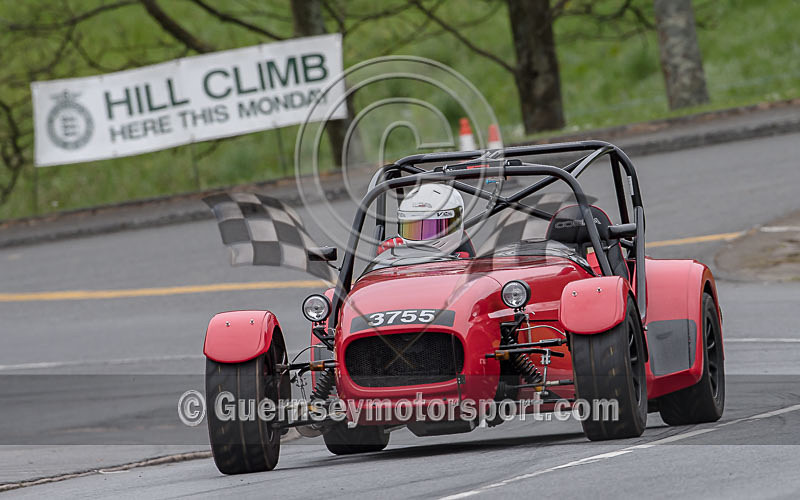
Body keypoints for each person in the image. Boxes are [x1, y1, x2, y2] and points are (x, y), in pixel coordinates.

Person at [378, 183, 466, 256]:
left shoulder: (466, 264)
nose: (420, 238)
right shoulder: (389, 249)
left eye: (431, 229)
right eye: (412, 228)